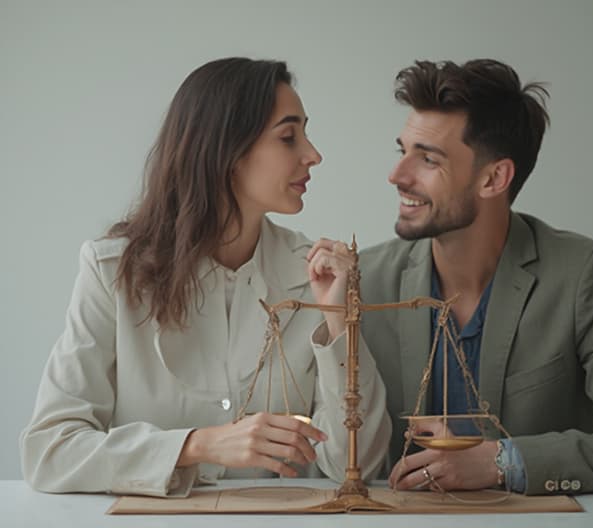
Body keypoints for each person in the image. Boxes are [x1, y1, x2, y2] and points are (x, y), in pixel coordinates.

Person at [20, 57, 390, 497]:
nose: (313, 154)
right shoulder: (112, 274)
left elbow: (359, 464)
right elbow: (50, 452)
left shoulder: (313, 276)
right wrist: (197, 445)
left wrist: (337, 323)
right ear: (227, 150)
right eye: (289, 137)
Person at [355, 59, 593, 495]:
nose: (397, 175)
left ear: (495, 177)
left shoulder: (581, 276)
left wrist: (502, 461)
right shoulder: (365, 282)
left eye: (428, 159)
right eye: (402, 151)